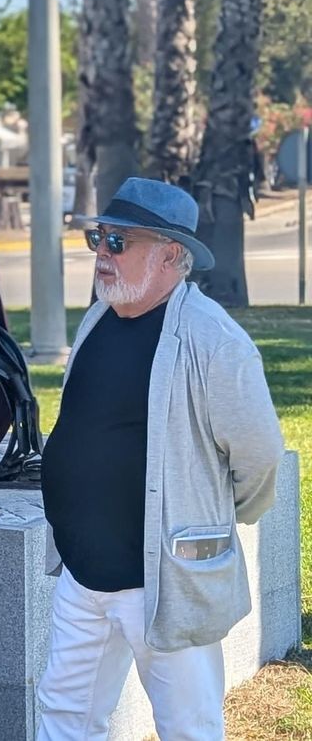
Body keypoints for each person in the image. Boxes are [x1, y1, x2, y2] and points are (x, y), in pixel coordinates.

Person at [35, 178, 284, 741]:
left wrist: (210, 513)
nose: (102, 252)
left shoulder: (214, 341)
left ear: (172, 254)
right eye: (100, 237)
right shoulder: (102, 315)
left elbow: (260, 456)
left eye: (119, 242)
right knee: (63, 714)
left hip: (164, 581)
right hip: (82, 572)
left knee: (187, 728)